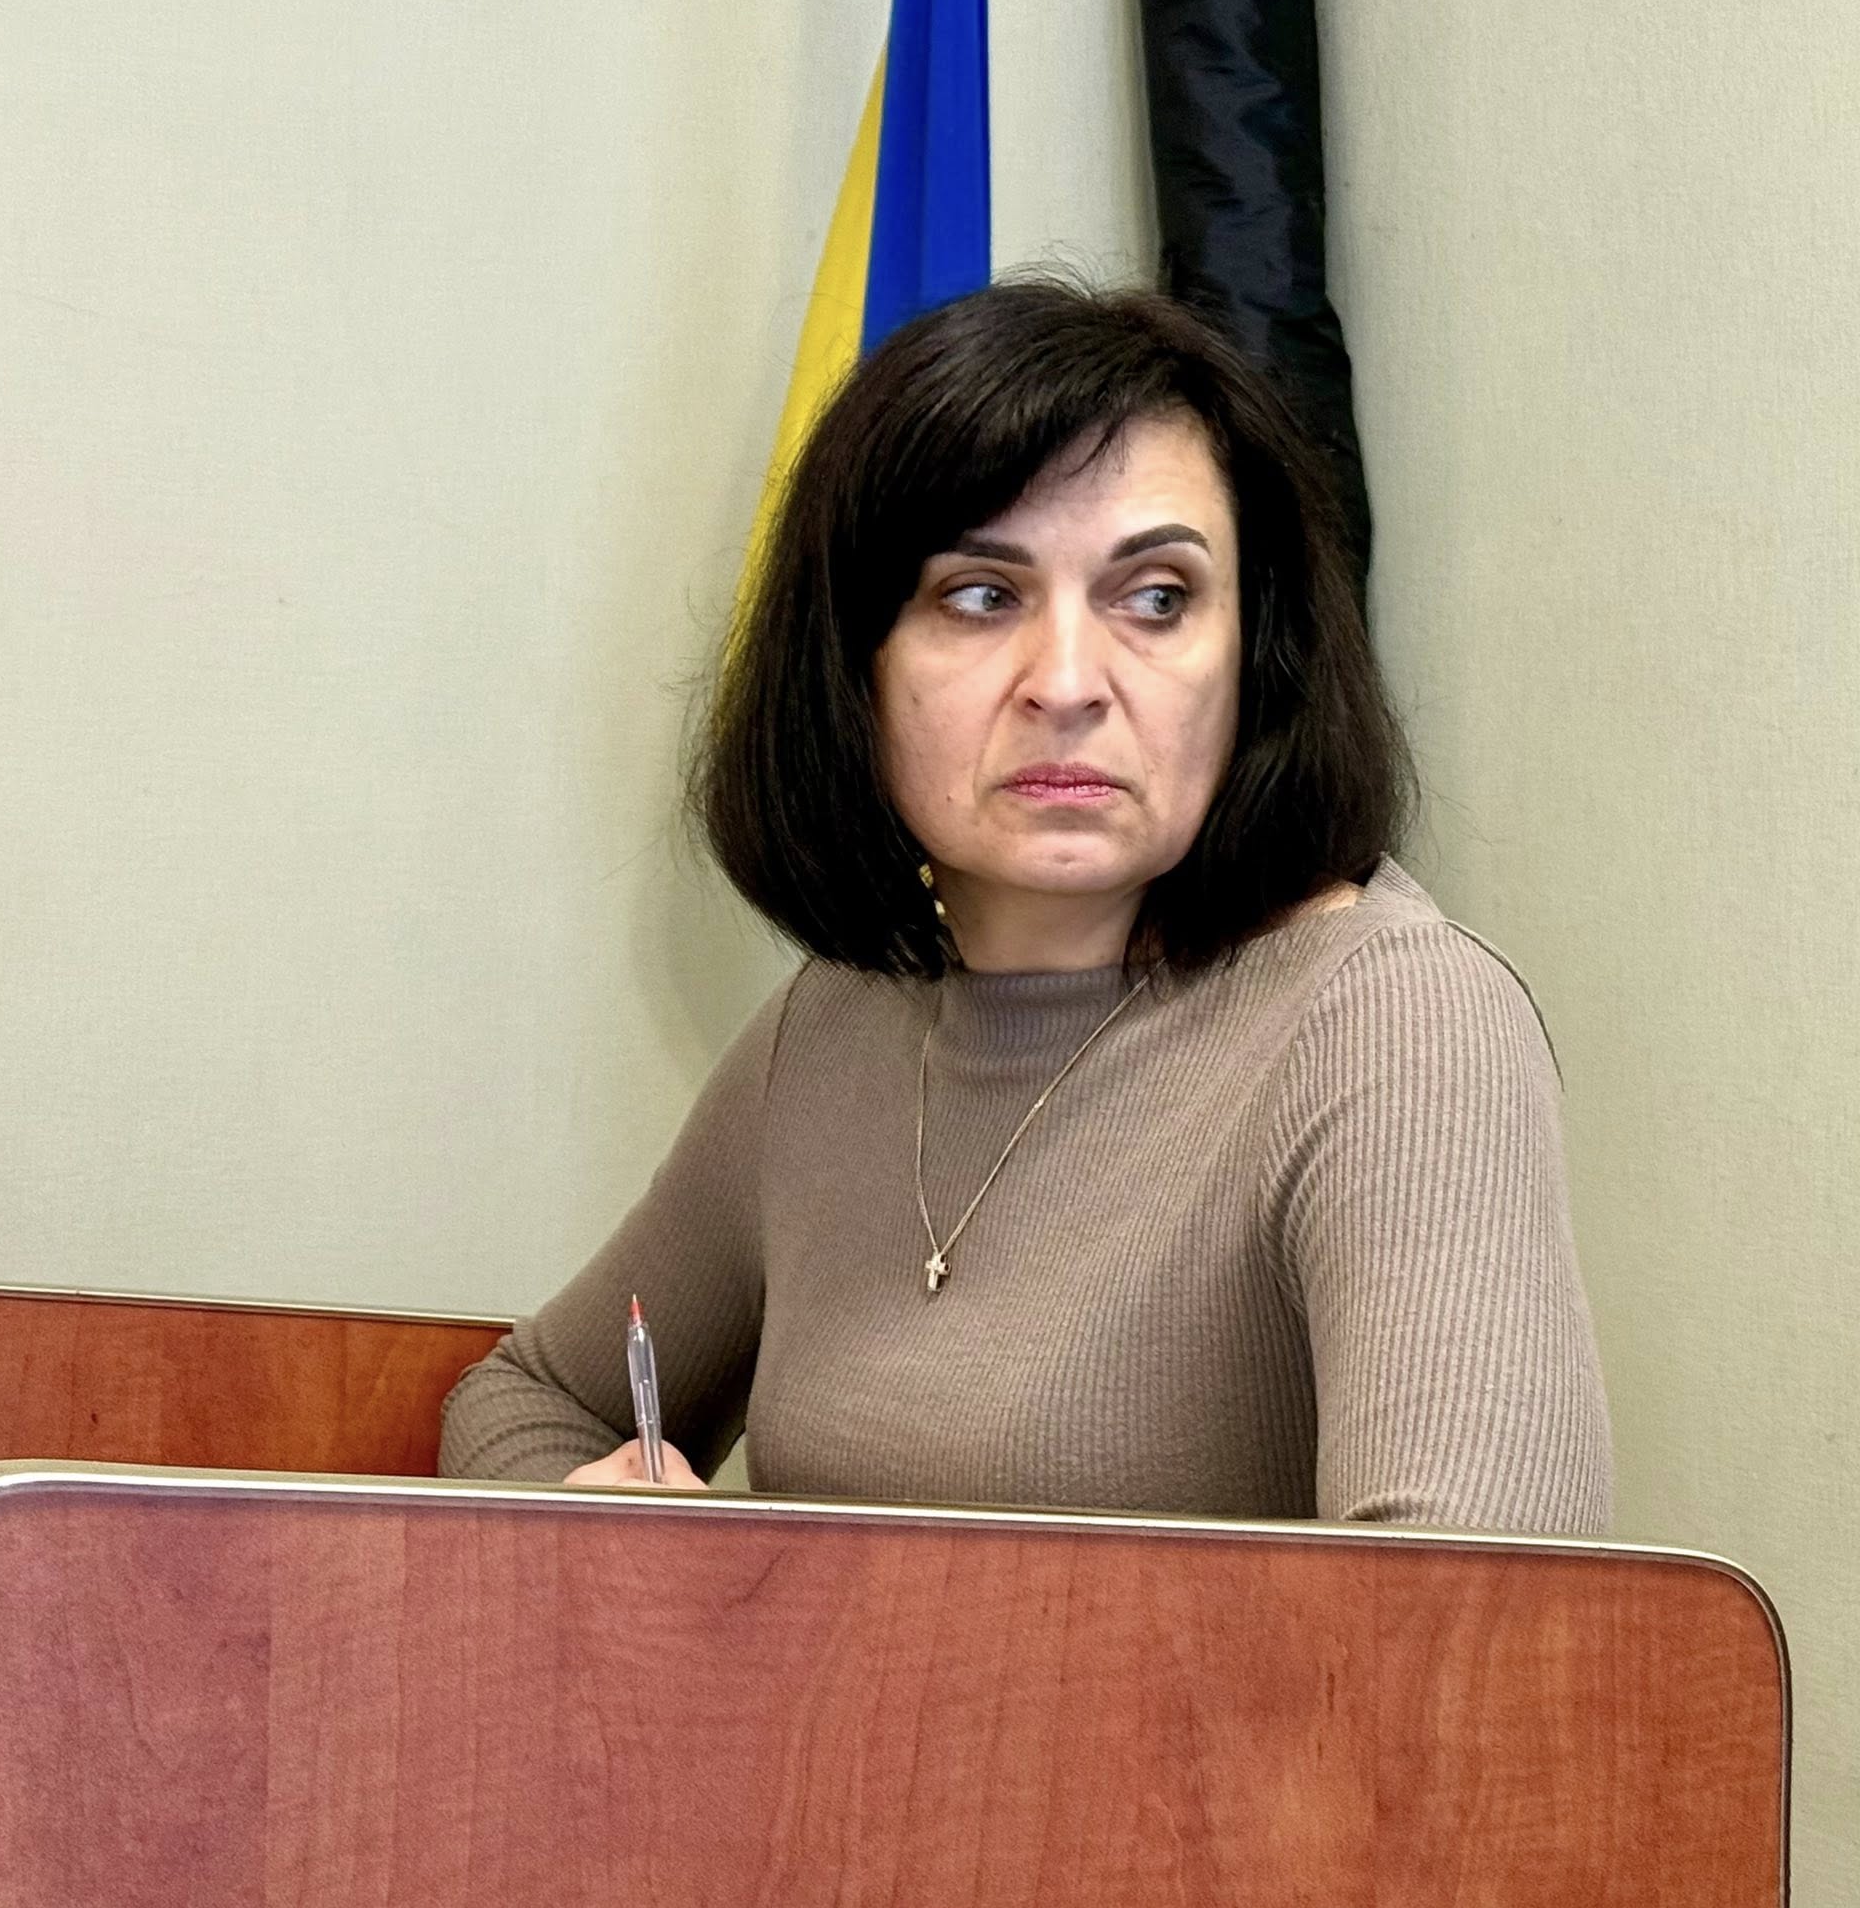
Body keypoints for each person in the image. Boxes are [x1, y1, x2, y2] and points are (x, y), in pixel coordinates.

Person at [439, 280, 1612, 1533]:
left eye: (1154, 597)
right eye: (980, 595)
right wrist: (626, 1554)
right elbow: (526, 1398)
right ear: (853, 665)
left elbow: (1472, 1627)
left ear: (1254, 658)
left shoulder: (1396, 1025)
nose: (1065, 682)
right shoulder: (831, 1025)